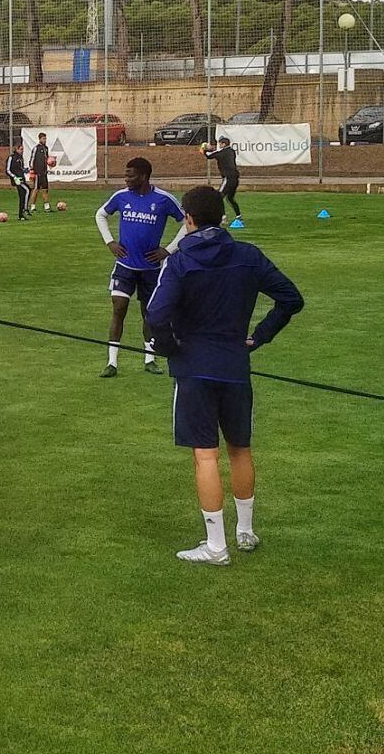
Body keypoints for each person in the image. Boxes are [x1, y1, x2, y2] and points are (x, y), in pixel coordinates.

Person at [146, 186, 303, 565]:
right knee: (240, 449)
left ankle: (217, 546)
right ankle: (245, 532)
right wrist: (259, 336)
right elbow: (290, 299)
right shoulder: (249, 255)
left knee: (205, 455)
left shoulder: (179, 262)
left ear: (188, 219)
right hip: (235, 365)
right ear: (221, 217)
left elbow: (155, 315)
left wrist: (167, 347)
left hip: (194, 369)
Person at [94, 157, 186, 378]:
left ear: (144, 176)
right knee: (119, 309)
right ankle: (112, 362)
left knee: (149, 314)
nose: (126, 179)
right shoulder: (121, 197)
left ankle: (149, 359)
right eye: (125, 175)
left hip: (151, 269)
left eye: (131, 176)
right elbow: (100, 214)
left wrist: (169, 250)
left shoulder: (164, 199)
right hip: (124, 266)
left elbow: (187, 222)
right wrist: (110, 242)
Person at [201, 137, 242, 222]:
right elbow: (217, 153)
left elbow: (209, 156)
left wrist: (204, 149)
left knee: (219, 197)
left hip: (228, 178)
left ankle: (223, 217)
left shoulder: (222, 153)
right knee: (230, 198)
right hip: (235, 178)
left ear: (224, 144)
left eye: (220, 143)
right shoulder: (231, 151)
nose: (219, 145)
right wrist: (211, 150)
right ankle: (238, 216)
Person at [5, 139, 31, 220]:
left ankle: (21, 214)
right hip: (17, 180)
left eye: (23, 149)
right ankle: (25, 209)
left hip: (21, 178)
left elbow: (20, 168)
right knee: (27, 190)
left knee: (22, 194)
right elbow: (8, 170)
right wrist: (14, 177)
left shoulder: (20, 158)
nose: (22, 151)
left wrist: (25, 170)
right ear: (16, 149)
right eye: (21, 149)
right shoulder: (11, 157)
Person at [28, 132, 52, 214]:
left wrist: (50, 163)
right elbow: (32, 159)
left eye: (45, 139)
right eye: (43, 139)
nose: (45, 140)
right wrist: (32, 170)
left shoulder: (46, 148)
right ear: (39, 139)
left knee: (45, 189)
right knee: (36, 189)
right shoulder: (36, 148)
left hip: (44, 173)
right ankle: (32, 206)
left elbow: (47, 159)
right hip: (37, 173)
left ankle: (47, 206)